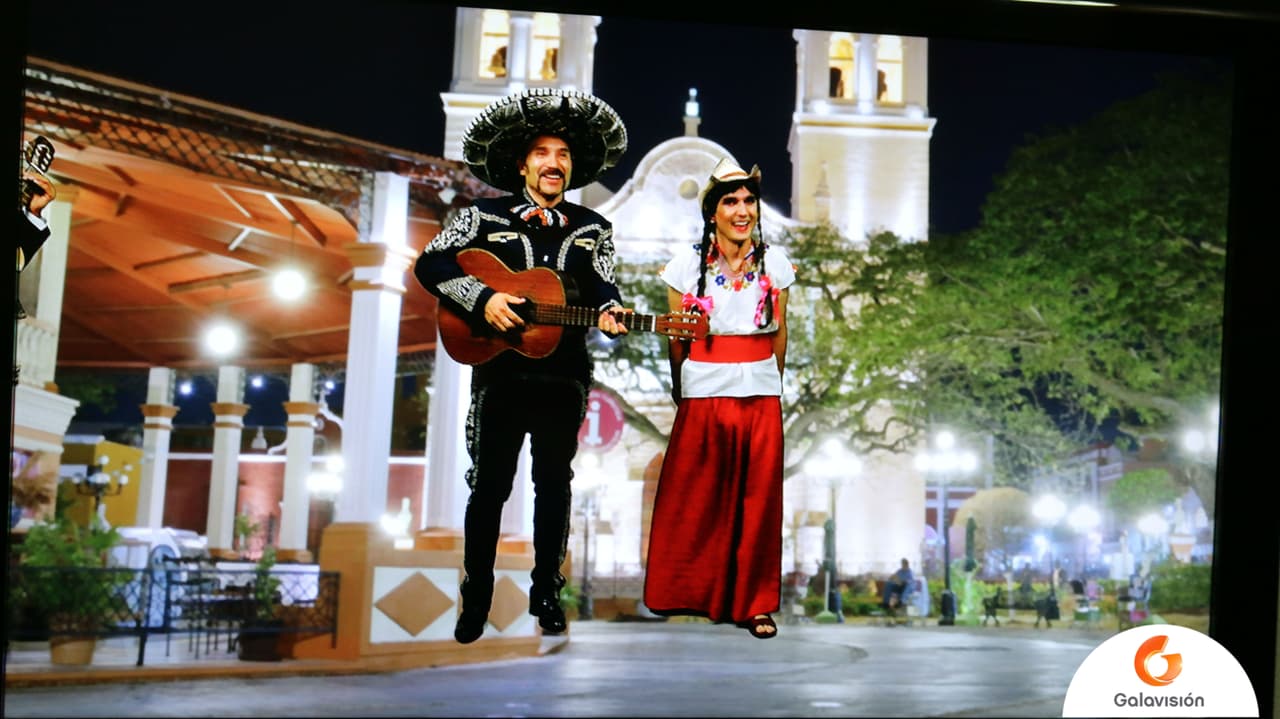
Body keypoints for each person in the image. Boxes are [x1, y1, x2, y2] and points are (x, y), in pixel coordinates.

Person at [413, 87, 631, 645]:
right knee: (489, 486)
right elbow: (431, 262)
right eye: (541, 153)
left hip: (564, 376)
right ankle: (476, 597)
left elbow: (606, 286)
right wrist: (482, 299)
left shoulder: (594, 228)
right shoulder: (479, 217)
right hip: (501, 372)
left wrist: (610, 311)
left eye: (561, 155)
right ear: (522, 164)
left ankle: (547, 591)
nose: (553, 163)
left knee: (554, 484)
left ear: (572, 166)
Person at [642, 158, 795, 639]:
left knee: (758, 501)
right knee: (694, 496)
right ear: (713, 212)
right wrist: (680, 387)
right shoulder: (684, 266)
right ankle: (685, 592)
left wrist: (773, 383)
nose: (743, 209)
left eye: (749, 200)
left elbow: (781, 332)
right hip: (704, 387)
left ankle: (755, 605)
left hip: (759, 390)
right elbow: (674, 338)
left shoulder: (777, 263)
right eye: (731, 201)